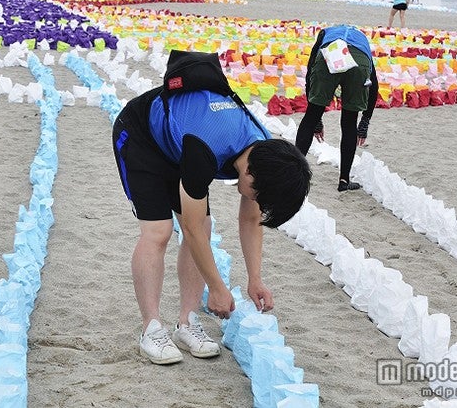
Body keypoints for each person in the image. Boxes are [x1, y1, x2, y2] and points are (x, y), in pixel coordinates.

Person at [112, 54, 312, 364]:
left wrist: (255, 278)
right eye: (260, 196)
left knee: (204, 228)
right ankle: (151, 328)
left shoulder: (263, 150)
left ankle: (187, 322)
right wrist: (217, 288)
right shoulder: (204, 151)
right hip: (141, 137)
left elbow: (251, 219)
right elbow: (190, 229)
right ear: (250, 174)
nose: (257, 202)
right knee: (159, 231)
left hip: (179, 141)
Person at [295, 25, 378, 192]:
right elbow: (374, 83)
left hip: (330, 54)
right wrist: (365, 120)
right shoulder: (361, 40)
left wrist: (316, 117)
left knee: (310, 117)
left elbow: (311, 71)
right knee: (349, 122)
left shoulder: (326, 33)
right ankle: (344, 180)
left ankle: (293, 173)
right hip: (358, 61)